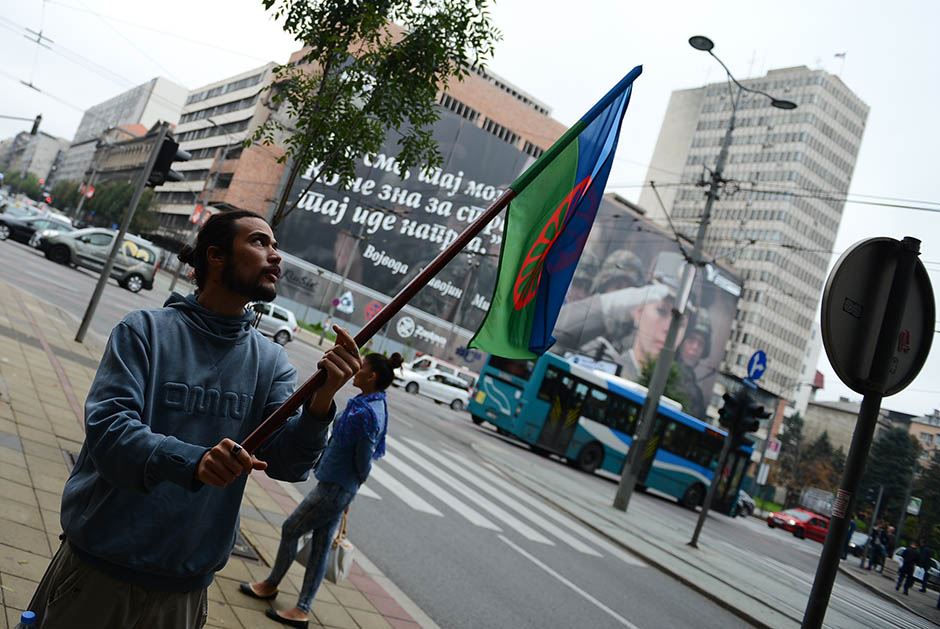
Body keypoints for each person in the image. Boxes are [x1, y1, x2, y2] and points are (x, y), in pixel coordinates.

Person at [26, 210, 362, 629]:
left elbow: (290, 463)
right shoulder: (144, 331)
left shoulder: (271, 361)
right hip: (99, 574)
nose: (276, 256)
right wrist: (195, 462)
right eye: (260, 242)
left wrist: (322, 400)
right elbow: (110, 433)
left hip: (185, 590)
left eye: (276, 245)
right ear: (216, 256)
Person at [240, 352, 401, 627]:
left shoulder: (366, 413)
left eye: (361, 367)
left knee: (292, 528)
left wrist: (352, 488)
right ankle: (301, 607)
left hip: (336, 487)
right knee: (320, 545)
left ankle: (272, 585)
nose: (356, 371)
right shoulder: (372, 403)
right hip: (340, 485)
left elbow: (364, 459)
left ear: (372, 376)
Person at [675, 309, 711, 418]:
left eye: (700, 344)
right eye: (691, 340)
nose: (695, 348)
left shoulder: (697, 393)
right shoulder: (664, 370)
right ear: (681, 341)